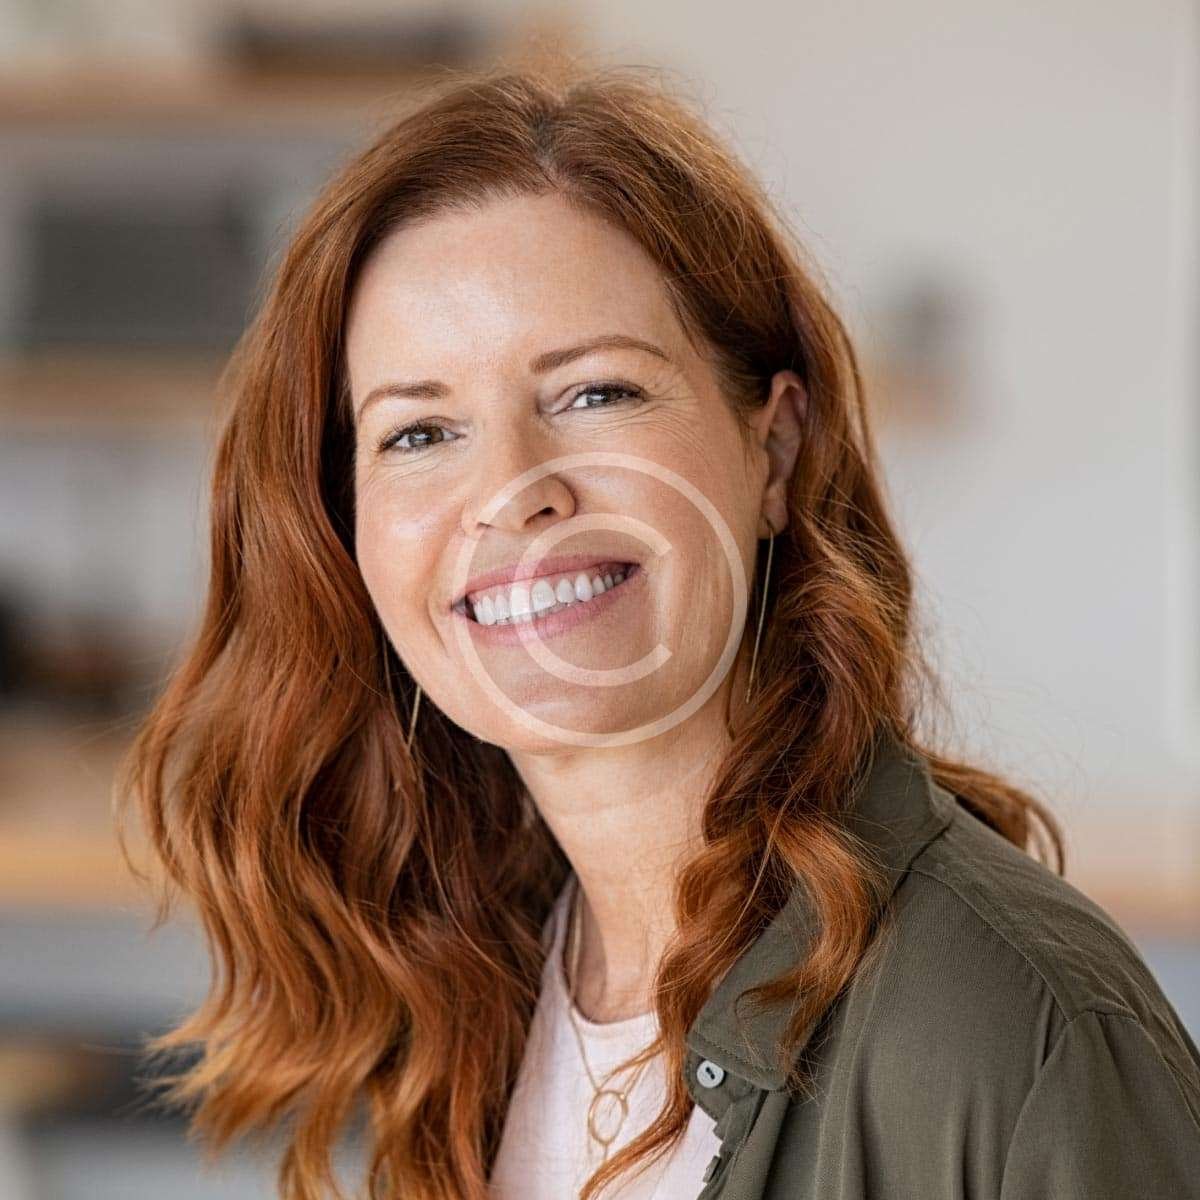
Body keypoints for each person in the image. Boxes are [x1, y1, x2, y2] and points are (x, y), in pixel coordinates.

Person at [119, 63, 1200, 1200]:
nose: (513, 492)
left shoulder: (1015, 1030)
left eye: (596, 395)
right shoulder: (463, 981)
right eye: (421, 432)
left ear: (773, 450)